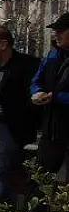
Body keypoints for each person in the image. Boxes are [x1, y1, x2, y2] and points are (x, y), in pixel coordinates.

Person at [0, 26, 40, 204]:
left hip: (10, 126)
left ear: (3, 44)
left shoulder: (26, 65)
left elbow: (33, 96)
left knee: (3, 170)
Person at [31, 13, 69, 180]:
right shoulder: (52, 55)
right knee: (39, 180)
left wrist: (57, 97)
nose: (56, 34)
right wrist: (36, 92)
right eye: (55, 31)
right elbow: (36, 79)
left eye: (61, 30)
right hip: (51, 130)